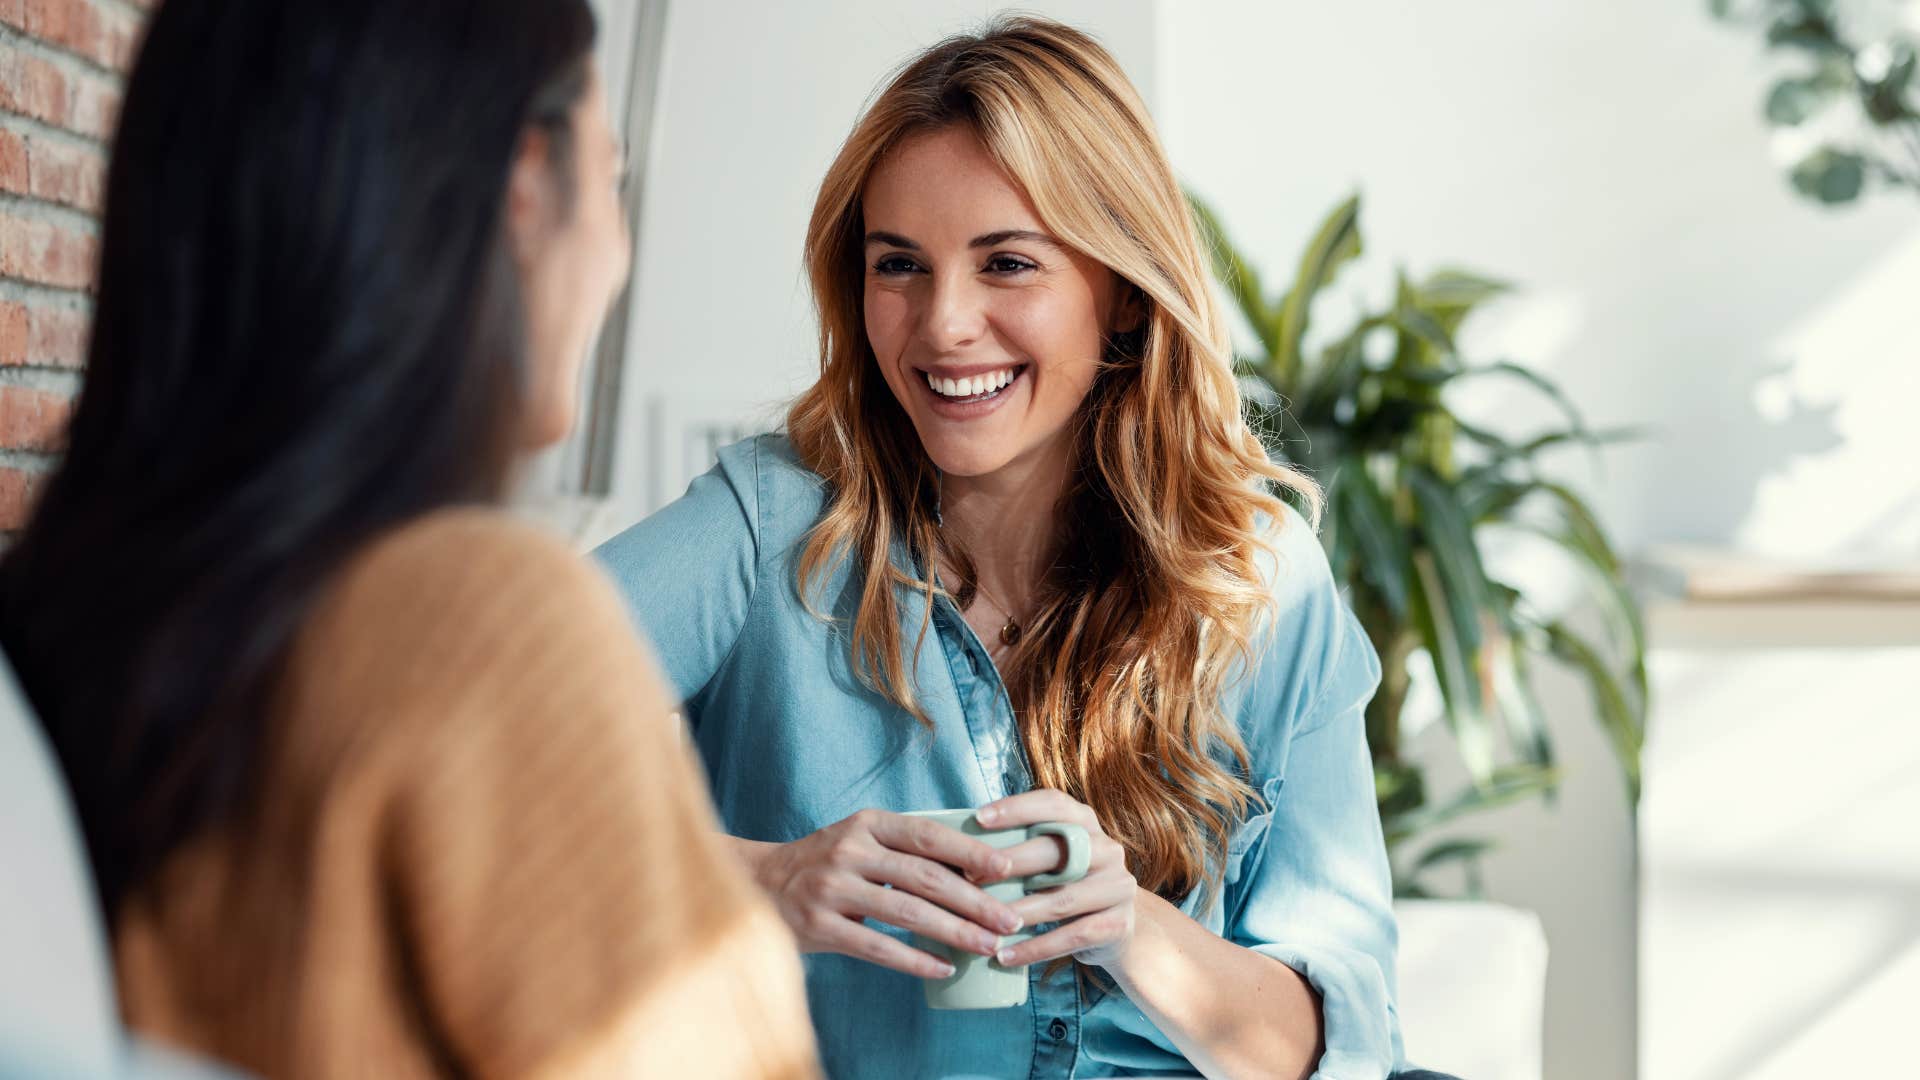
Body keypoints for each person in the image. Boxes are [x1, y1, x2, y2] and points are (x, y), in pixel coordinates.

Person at [597, 16, 1447, 1080]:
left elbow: (1334, 1048)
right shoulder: (774, 525)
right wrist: (761, 881)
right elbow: (452, 732)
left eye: (1007, 263)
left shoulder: (1259, 581)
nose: (943, 323)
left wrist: (1130, 926)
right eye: (898, 265)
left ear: (1123, 289)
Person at [0, 2, 819, 1077]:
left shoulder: (77, 610)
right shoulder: (482, 616)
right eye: (611, 180)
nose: (616, 254)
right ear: (525, 187)